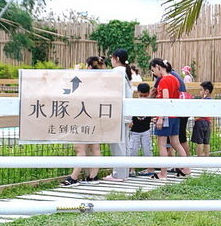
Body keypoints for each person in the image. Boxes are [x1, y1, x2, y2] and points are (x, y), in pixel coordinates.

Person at [61, 55, 106, 186]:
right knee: (95, 147)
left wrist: (75, 72)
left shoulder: (85, 80)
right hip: (96, 115)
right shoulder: (101, 80)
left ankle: (74, 177)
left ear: (89, 67)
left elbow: (71, 88)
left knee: (80, 148)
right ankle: (93, 176)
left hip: (82, 115)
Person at [150, 58, 190, 180]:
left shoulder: (164, 80)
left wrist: (160, 117)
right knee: (175, 142)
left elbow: (165, 100)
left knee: (162, 144)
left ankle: (163, 173)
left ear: (158, 67)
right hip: (175, 115)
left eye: (153, 70)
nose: (153, 73)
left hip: (166, 116)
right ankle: (186, 168)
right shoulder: (175, 79)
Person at [104, 49, 134, 182]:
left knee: (118, 144)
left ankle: (118, 174)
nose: (111, 60)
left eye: (111, 58)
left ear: (116, 58)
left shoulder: (117, 72)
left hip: (118, 112)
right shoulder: (127, 72)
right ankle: (124, 173)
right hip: (126, 113)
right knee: (125, 143)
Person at [128, 82, 156, 175]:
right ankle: (131, 169)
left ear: (148, 93)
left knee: (147, 149)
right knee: (133, 150)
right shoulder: (134, 102)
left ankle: (150, 168)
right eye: (141, 95)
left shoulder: (150, 102)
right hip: (134, 131)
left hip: (146, 130)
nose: (143, 97)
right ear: (137, 93)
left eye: (145, 95)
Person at [191, 81, 214, 159]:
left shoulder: (202, 101)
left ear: (206, 91)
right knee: (206, 142)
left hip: (200, 121)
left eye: (201, 90)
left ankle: (199, 158)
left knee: (199, 142)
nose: (199, 92)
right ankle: (207, 157)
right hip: (208, 122)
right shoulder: (211, 100)